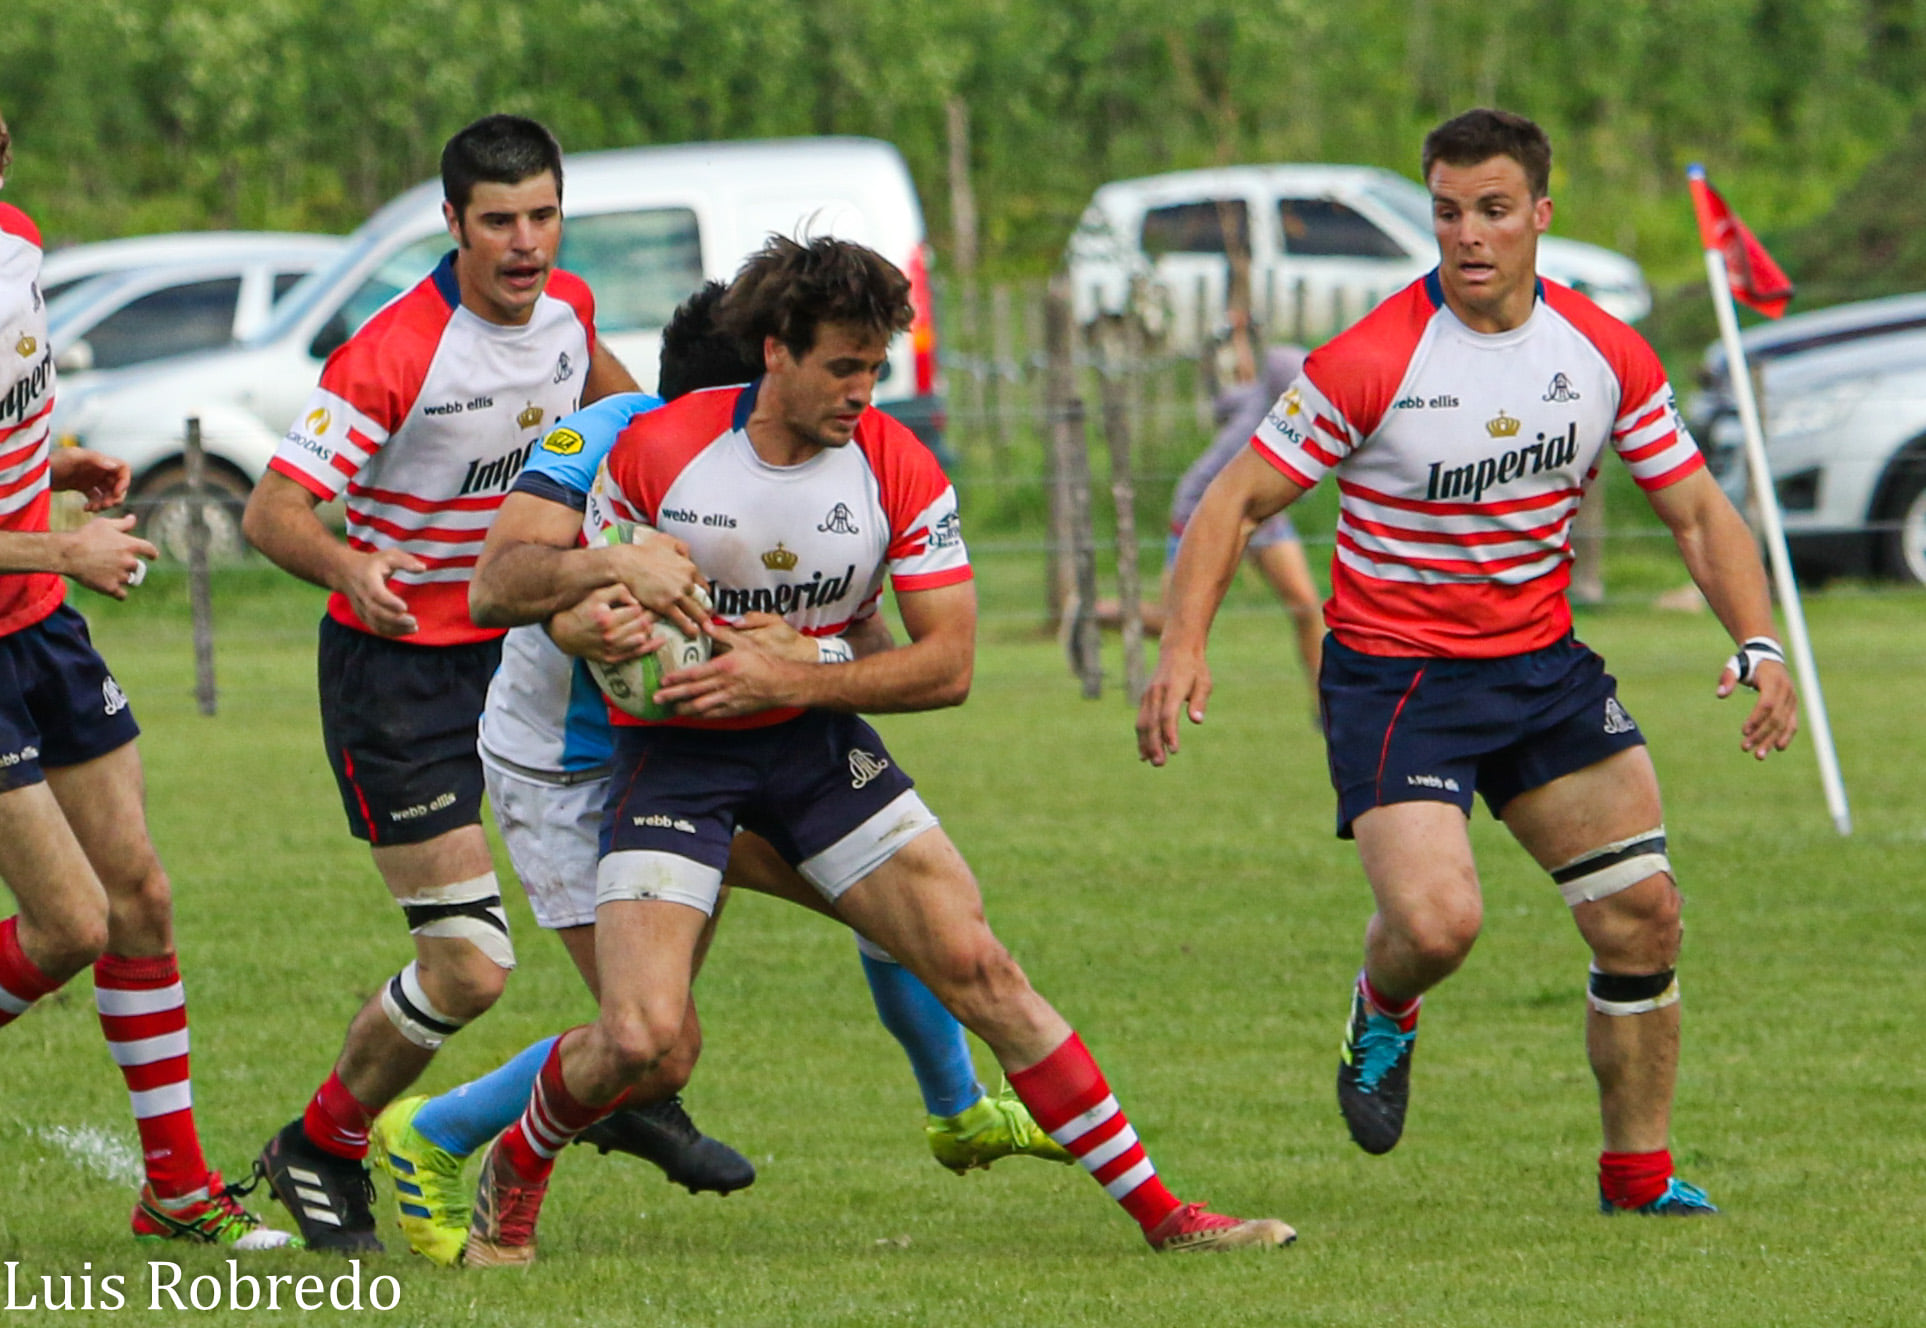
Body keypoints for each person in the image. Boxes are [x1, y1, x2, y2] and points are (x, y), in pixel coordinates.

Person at [452, 236, 1292, 1267]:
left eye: (875, 366)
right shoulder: (657, 452)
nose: (864, 389)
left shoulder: (896, 464)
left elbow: (949, 666)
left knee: (982, 964)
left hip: (815, 750)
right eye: (843, 365)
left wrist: (799, 671)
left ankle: (1169, 1215)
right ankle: (517, 1159)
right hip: (676, 759)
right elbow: (570, 608)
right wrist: (601, 617)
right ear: (776, 352)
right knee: (640, 1039)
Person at [1139, 108, 1799, 1216]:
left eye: (1493, 210)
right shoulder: (1374, 359)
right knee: (1440, 922)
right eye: (1448, 212)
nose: (1469, 235)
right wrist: (1182, 646)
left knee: (1643, 913)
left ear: (1540, 215)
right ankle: (1384, 1003)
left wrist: (1760, 638)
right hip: (1399, 679)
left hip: (1540, 669)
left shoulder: (1599, 351)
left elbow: (1693, 509)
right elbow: (1235, 499)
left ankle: (1636, 1180)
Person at [369, 281, 1068, 1266]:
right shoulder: (612, 443)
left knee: (903, 904)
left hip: (703, 752)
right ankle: (433, 1131)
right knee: (654, 1042)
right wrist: (589, 603)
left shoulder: (804, 458)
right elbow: (517, 588)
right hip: (572, 769)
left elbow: (858, 625)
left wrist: (819, 652)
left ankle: (958, 1110)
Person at [238, 113, 733, 1252]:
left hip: (524, 659)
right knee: (466, 966)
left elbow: (635, 425)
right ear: (453, 223)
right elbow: (273, 509)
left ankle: (633, 1081)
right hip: (398, 676)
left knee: (637, 943)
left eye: (543, 216)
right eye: (499, 220)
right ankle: (322, 1141)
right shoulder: (391, 353)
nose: (525, 243)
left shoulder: (571, 314)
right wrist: (350, 563)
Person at [0, 107, 291, 1250]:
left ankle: (175, 1185)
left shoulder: (18, 244)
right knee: (66, 924)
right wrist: (67, 543)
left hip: (39, 625)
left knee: (142, 900)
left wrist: (53, 466)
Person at [1151, 343, 1322, 715]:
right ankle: (1094, 613)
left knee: (1307, 606)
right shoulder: (1263, 433)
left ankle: (1325, 707)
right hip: (1201, 511)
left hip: (1266, 517)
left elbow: (1225, 399)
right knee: (1170, 620)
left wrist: (1239, 345)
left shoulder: (1261, 397)